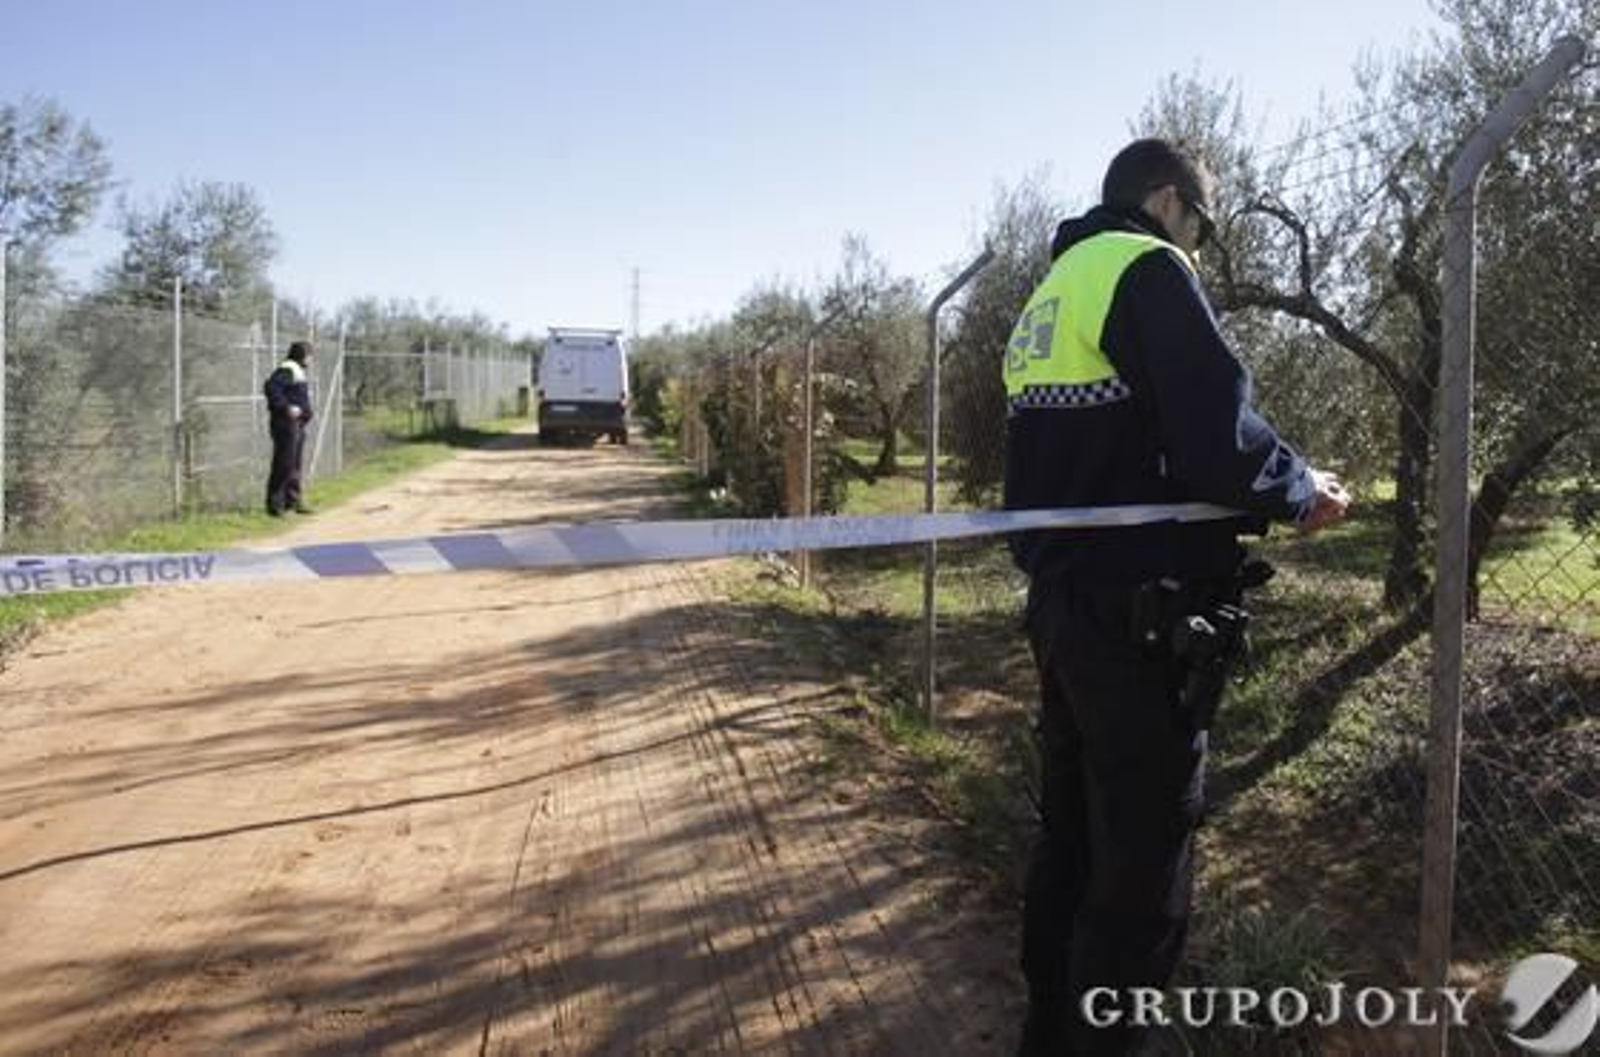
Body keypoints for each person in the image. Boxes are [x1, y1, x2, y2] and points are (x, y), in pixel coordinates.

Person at [1002, 138, 1349, 1055]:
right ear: (1167, 202)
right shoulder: (1147, 268)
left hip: (1063, 609)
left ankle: (1049, 1034)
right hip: (1140, 627)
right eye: (1202, 224)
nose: (1199, 243)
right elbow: (1215, 436)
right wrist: (1300, 488)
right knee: (1140, 868)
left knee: (1070, 840)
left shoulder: (1053, 291)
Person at [264, 340, 316, 516]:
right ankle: (275, 506)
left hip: (297, 425)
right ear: (302, 355)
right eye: (309, 356)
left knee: (294, 465)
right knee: (284, 464)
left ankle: (293, 501)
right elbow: (271, 387)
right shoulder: (288, 368)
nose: (311, 360)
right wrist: (286, 407)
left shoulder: (297, 370)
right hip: (286, 424)